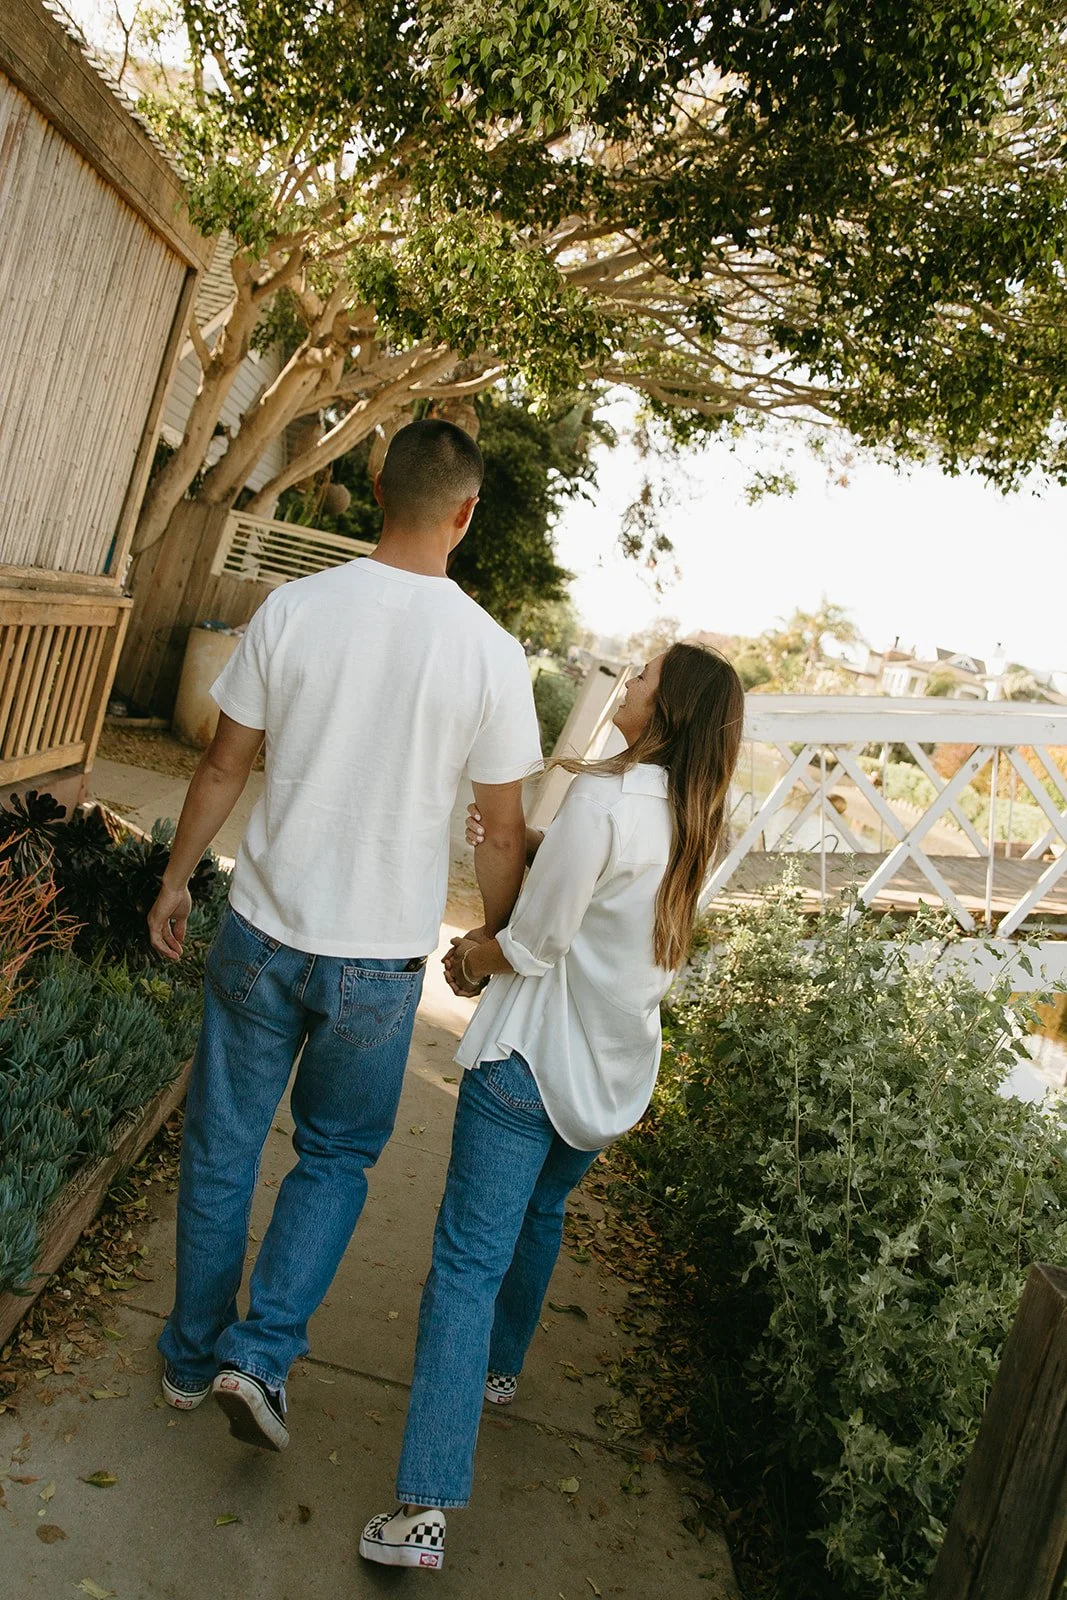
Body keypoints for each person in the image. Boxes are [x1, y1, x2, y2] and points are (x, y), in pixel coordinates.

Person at [146, 419, 542, 1452]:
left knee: (224, 1146)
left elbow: (223, 766)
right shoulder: (491, 655)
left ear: (376, 488)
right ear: (463, 514)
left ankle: (190, 1358)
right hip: (376, 965)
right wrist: (493, 944)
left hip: (262, 931)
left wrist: (176, 878)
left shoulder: (293, 610)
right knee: (332, 1159)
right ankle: (259, 1353)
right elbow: (500, 830)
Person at [360, 642, 744, 1569]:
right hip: (611, 1077)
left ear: (669, 712)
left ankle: (422, 1510)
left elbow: (531, 944)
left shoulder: (608, 803)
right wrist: (538, 845)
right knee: (541, 1213)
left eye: (645, 676)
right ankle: (497, 1371)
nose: (629, 683)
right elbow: (610, 900)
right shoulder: (697, 823)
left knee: (462, 1269)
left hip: (531, 1066)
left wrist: (463, 958)